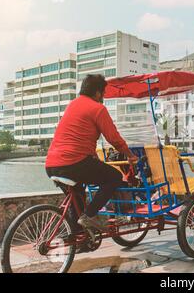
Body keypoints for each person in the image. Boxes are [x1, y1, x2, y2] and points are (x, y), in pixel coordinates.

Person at [45, 74, 138, 232]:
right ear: (97, 93)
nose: (103, 97)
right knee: (114, 177)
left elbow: (78, 138)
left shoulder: (72, 105)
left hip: (51, 164)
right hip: (74, 163)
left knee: (78, 197)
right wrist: (130, 155)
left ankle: (79, 239)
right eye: (103, 93)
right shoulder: (97, 108)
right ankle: (90, 216)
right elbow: (114, 139)